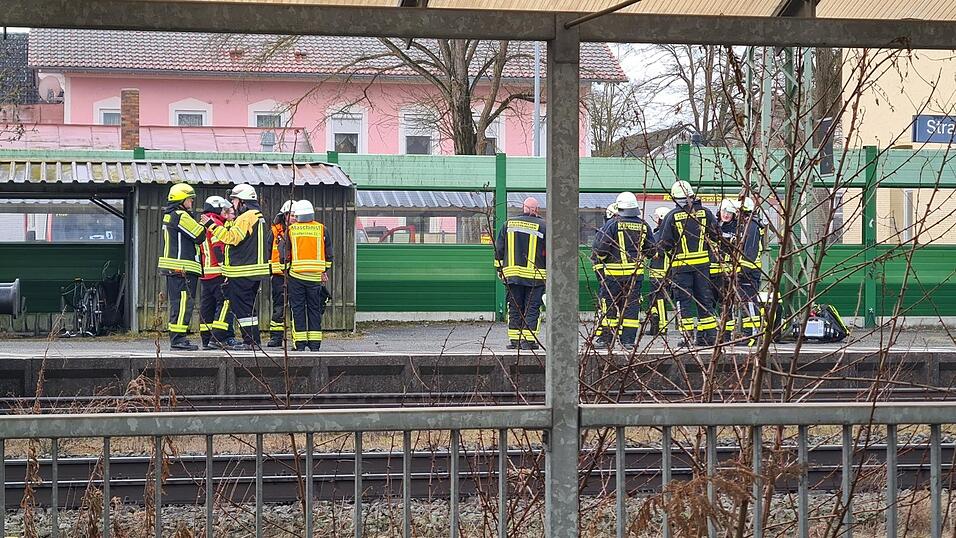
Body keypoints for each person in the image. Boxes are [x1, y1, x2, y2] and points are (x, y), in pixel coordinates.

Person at [201, 184, 272, 350]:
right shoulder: (258, 216)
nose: (233, 204)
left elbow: (232, 238)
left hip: (242, 271)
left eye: (234, 200)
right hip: (254, 271)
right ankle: (253, 341)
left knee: (242, 310)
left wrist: (212, 225)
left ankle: (250, 342)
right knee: (248, 309)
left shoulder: (246, 217)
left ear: (242, 201)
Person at [658, 180, 720, 347]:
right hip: (703, 267)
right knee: (705, 301)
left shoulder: (672, 216)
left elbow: (665, 242)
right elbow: (716, 236)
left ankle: (686, 338)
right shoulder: (705, 213)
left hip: (681, 268)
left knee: (683, 302)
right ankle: (709, 337)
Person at [591, 192, 655, 349]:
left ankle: (607, 339)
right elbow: (652, 251)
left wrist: (605, 259)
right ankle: (628, 341)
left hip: (613, 276)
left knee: (610, 306)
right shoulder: (644, 225)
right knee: (631, 308)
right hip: (635, 276)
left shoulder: (612, 224)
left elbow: (600, 249)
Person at [157, 183, 205, 351]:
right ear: (181, 200)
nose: (191, 203)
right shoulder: (180, 215)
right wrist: (206, 224)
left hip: (176, 268)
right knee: (183, 303)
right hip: (182, 268)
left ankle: (178, 338)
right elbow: (199, 236)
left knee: (179, 303)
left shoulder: (170, 215)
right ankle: (178, 339)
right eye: (190, 200)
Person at [494, 197, 546, 350]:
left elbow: (499, 249)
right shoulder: (543, 226)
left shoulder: (508, 224)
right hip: (535, 277)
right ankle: (528, 341)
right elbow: (549, 251)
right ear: (536, 209)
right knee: (532, 307)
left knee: (515, 307)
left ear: (523, 208)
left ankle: (515, 340)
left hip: (512, 276)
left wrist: (499, 269)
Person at [281, 200, 332, 352]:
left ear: (298, 215)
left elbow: (284, 254)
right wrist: (324, 271)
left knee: (297, 309)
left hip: (296, 276)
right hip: (315, 278)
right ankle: (315, 345)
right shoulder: (321, 229)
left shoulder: (291, 230)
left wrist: (286, 270)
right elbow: (329, 254)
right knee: (314, 310)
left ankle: (300, 344)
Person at [198, 195, 241, 350]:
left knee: (207, 307)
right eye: (223, 209)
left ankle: (206, 339)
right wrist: (226, 269)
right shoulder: (214, 223)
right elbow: (218, 247)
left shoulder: (202, 222)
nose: (225, 212)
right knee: (226, 303)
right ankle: (218, 337)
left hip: (205, 273)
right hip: (218, 271)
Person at [737, 196, 766, 346]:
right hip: (748, 270)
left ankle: (753, 334)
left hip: (750, 271)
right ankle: (749, 334)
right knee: (746, 302)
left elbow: (751, 250)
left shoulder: (752, 226)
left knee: (750, 302)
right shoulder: (750, 225)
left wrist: (743, 269)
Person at [267, 200, 294, 348]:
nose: (294, 217)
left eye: (296, 215)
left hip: (295, 274)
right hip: (278, 275)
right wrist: (270, 271)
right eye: (291, 214)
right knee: (279, 307)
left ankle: (297, 337)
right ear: (284, 215)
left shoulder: (300, 230)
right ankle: (276, 337)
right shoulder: (275, 231)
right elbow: (268, 252)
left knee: (296, 306)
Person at [713, 198, 740, 343]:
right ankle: (711, 332)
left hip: (728, 272)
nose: (726, 215)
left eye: (729, 212)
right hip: (712, 271)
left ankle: (727, 334)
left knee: (726, 303)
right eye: (724, 211)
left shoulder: (736, 228)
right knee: (710, 302)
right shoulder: (714, 225)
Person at [592, 202, 618, 345]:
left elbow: (597, 254)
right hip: (618, 275)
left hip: (609, 274)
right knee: (614, 304)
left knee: (607, 304)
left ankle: (606, 334)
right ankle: (609, 333)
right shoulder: (607, 231)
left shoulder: (604, 230)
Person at [645, 206, 671, 336]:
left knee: (659, 300)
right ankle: (656, 324)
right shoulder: (669, 234)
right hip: (664, 273)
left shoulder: (658, 235)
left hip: (659, 273)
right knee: (654, 299)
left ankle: (662, 326)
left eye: (656, 217)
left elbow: (654, 252)